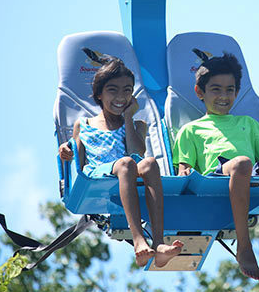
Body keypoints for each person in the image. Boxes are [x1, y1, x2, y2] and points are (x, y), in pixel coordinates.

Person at [172, 52, 259, 282]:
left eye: (230, 90)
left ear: (236, 92)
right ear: (200, 92)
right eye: (216, 89)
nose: (224, 95)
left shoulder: (248, 123)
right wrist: (182, 172)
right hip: (214, 175)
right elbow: (184, 167)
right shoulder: (191, 130)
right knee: (242, 163)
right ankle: (244, 246)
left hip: (250, 170)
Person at [59, 56, 183, 268]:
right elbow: (77, 162)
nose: (121, 96)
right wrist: (65, 150)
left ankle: (159, 243)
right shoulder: (84, 124)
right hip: (97, 173)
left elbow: (137, 153)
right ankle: (138, 240)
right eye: (113, 90)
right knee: (126, 164)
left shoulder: (138, 125)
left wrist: (128, 118)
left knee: (150, 162)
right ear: (99, 94)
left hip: (126, 168)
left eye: (127, 90)